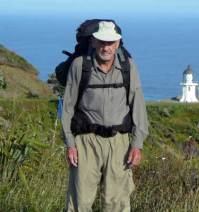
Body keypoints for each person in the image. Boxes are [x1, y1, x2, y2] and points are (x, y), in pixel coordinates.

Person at [62, 20, 149, 212]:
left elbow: (138, 105)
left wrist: (137, 145)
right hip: (85, 142)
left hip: (119, 143)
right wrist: (70, 145)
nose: (106, 47)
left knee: (116, 204)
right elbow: (67, 107)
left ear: (118, 43)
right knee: (80, 203)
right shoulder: (79, 66)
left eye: (110, 42)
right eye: (101, 41)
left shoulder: (128, 67)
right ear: (93, 42)